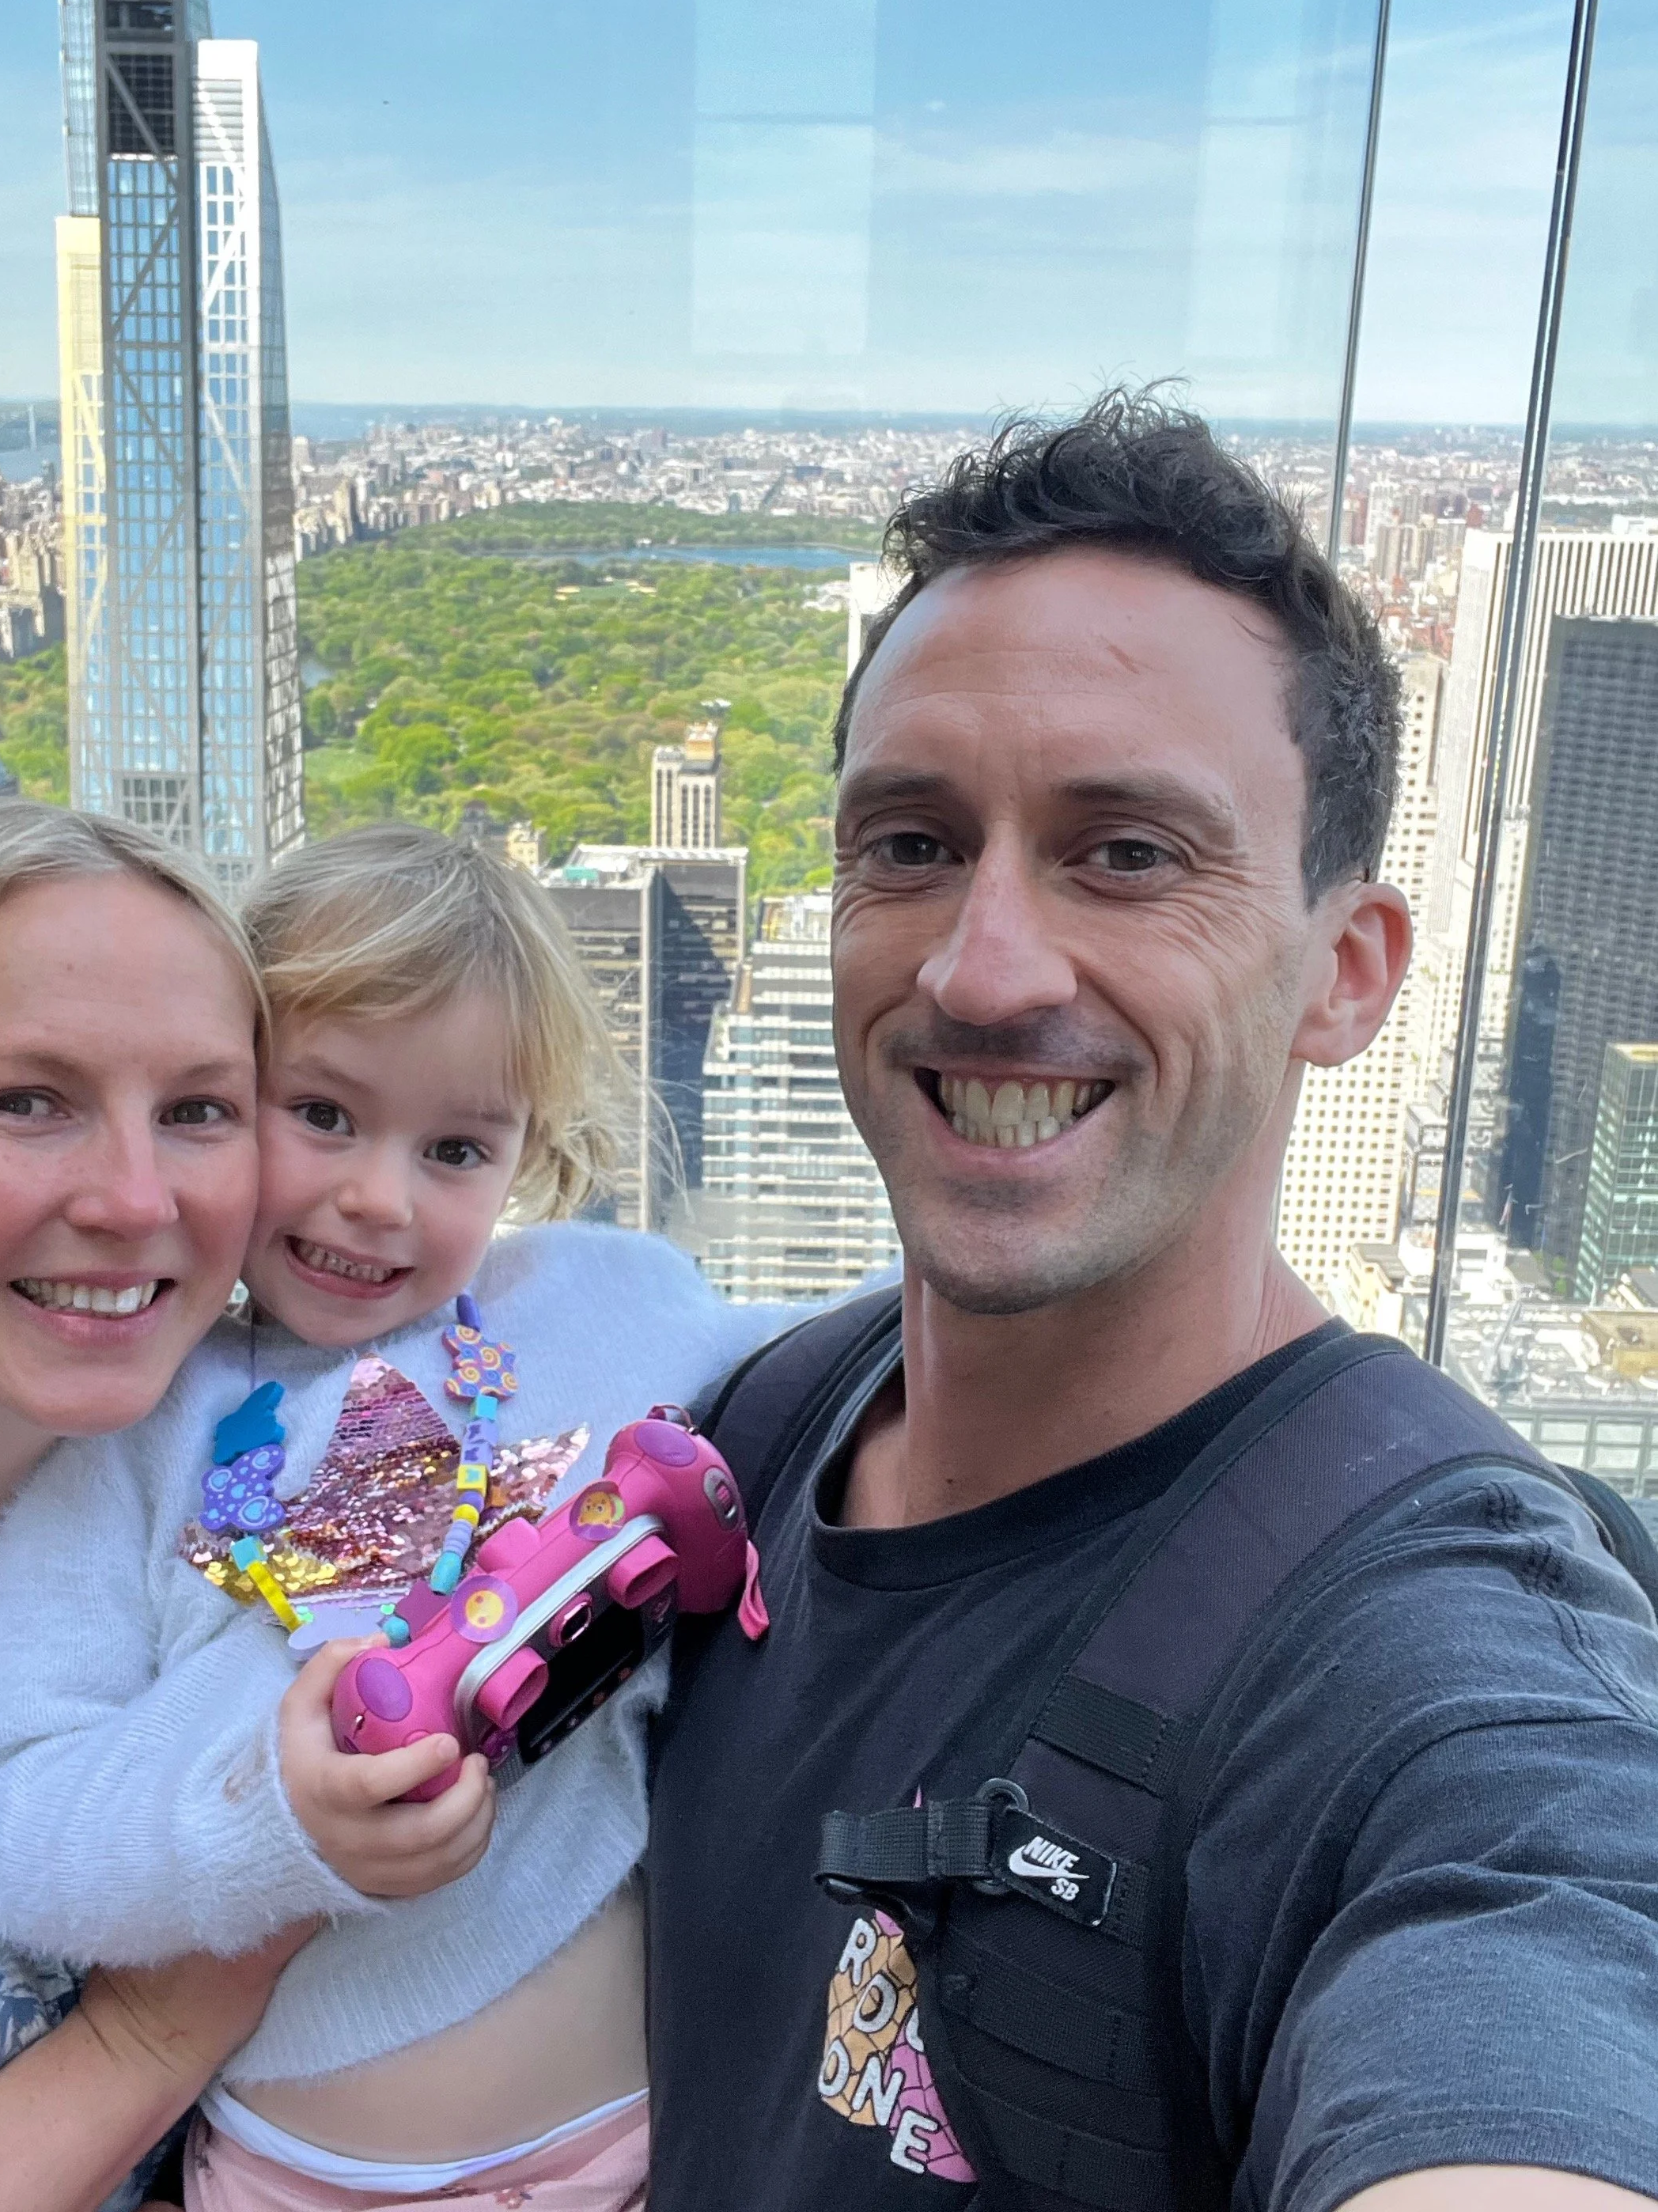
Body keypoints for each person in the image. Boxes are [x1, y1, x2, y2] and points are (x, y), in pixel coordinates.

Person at [645, 394, 1658, 2211]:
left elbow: (1531, 1961)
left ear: (1344, 974)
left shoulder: (1429, 1663)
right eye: (911, 842)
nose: (982, 962)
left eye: (1127, 852)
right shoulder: (763, 1423)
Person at [0, 824, 798, 2212]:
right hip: (300, 2182)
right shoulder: (132, 1432)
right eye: (323, 1113)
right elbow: (7, 1823)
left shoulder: (600, 1301)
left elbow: (873, 1365)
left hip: (641, 2146)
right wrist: (270, 1820)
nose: (377, 1196)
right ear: (220, 1100)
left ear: (527, 1154)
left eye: (456, 1147)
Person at [0, 801, 307, 2210]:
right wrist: (149, 2037)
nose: (133, 1195)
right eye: (28, 1100)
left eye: (201, 1111)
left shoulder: (271, 1535)